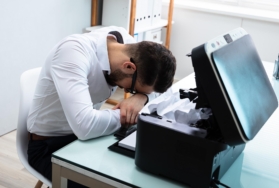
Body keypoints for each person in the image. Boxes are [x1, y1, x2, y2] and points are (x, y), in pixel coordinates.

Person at [26, 26, 176, 187]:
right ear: (128, 67)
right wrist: (128, 115)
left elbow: (166, 94)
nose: (127, 92)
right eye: (133, 89)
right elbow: (86, 126)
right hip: (50, 146)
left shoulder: (127, 46)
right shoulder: (73, 52)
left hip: (89, 139)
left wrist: (142, 97)